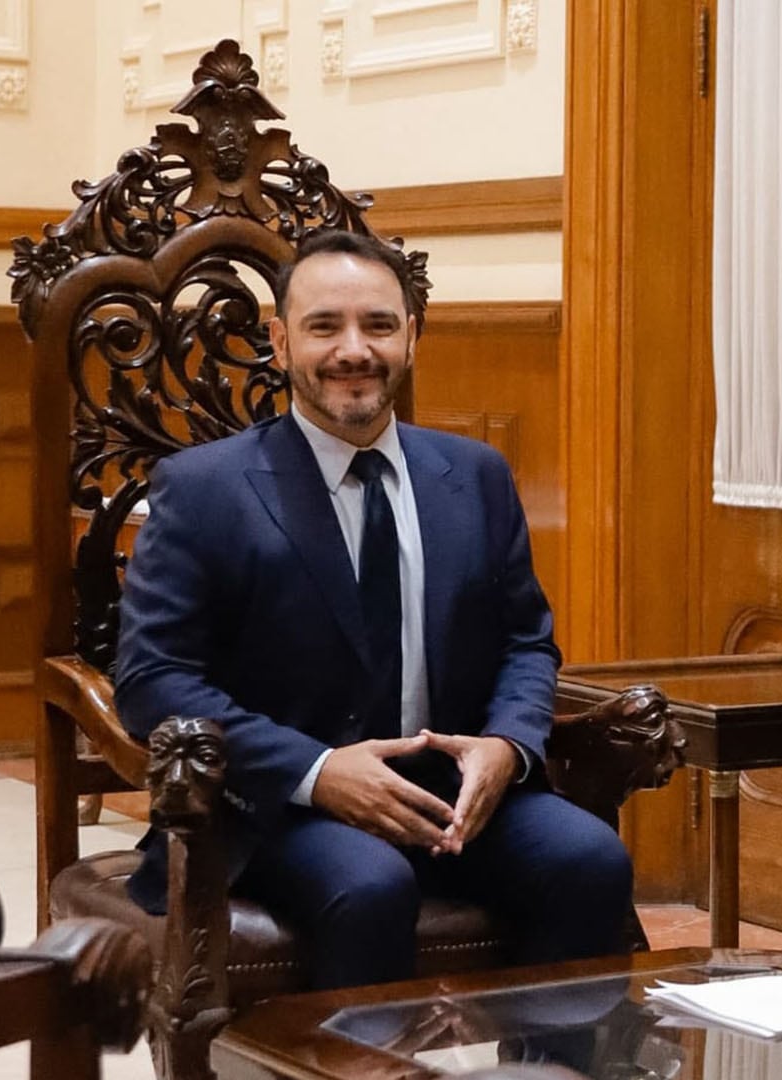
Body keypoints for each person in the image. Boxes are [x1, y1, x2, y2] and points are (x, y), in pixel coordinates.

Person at [115, 228, 634, 989]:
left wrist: (507, 746)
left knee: (590, 861)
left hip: (453, 794)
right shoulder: (204, 489)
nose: (353, 350)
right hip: (280, 806)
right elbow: (152, 680)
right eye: (325, 326)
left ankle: (547, 1056)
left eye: (379, 325)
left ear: (411, 337)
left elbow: (526, 642)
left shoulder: (475, 475)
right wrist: (319, 770)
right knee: (370, 884)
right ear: (281, 342)